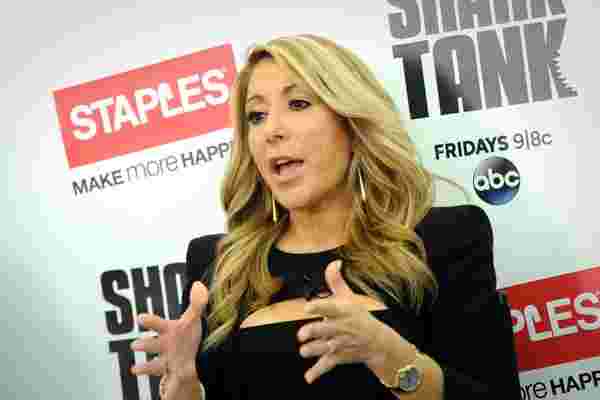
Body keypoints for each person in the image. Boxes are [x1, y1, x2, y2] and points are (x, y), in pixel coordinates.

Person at [129, 34, 521, 399]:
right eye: (256, 116)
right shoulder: (218, 265)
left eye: (298, 104)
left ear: (351, 123)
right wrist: (184, 386)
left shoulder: (445, 239)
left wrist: (391, 356)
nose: (271, 131)